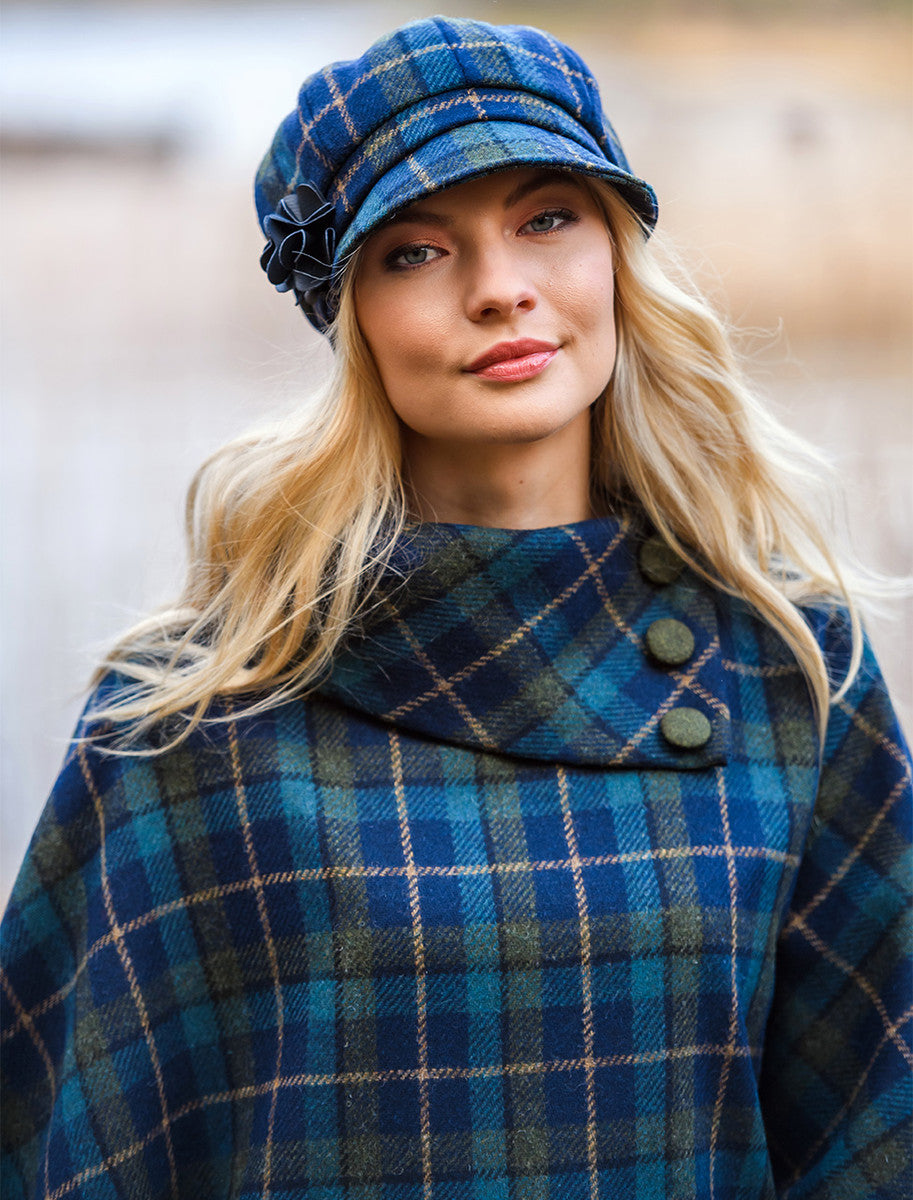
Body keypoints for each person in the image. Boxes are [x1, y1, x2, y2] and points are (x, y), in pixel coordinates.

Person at [1, 15, 910, 1199]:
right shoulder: (193, 715)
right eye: (416, 251)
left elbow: (879, 1133)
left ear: (616, 255)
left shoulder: (791, 670)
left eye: (546, 219)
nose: (501, 291)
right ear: (349, 316)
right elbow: (74, 1151)